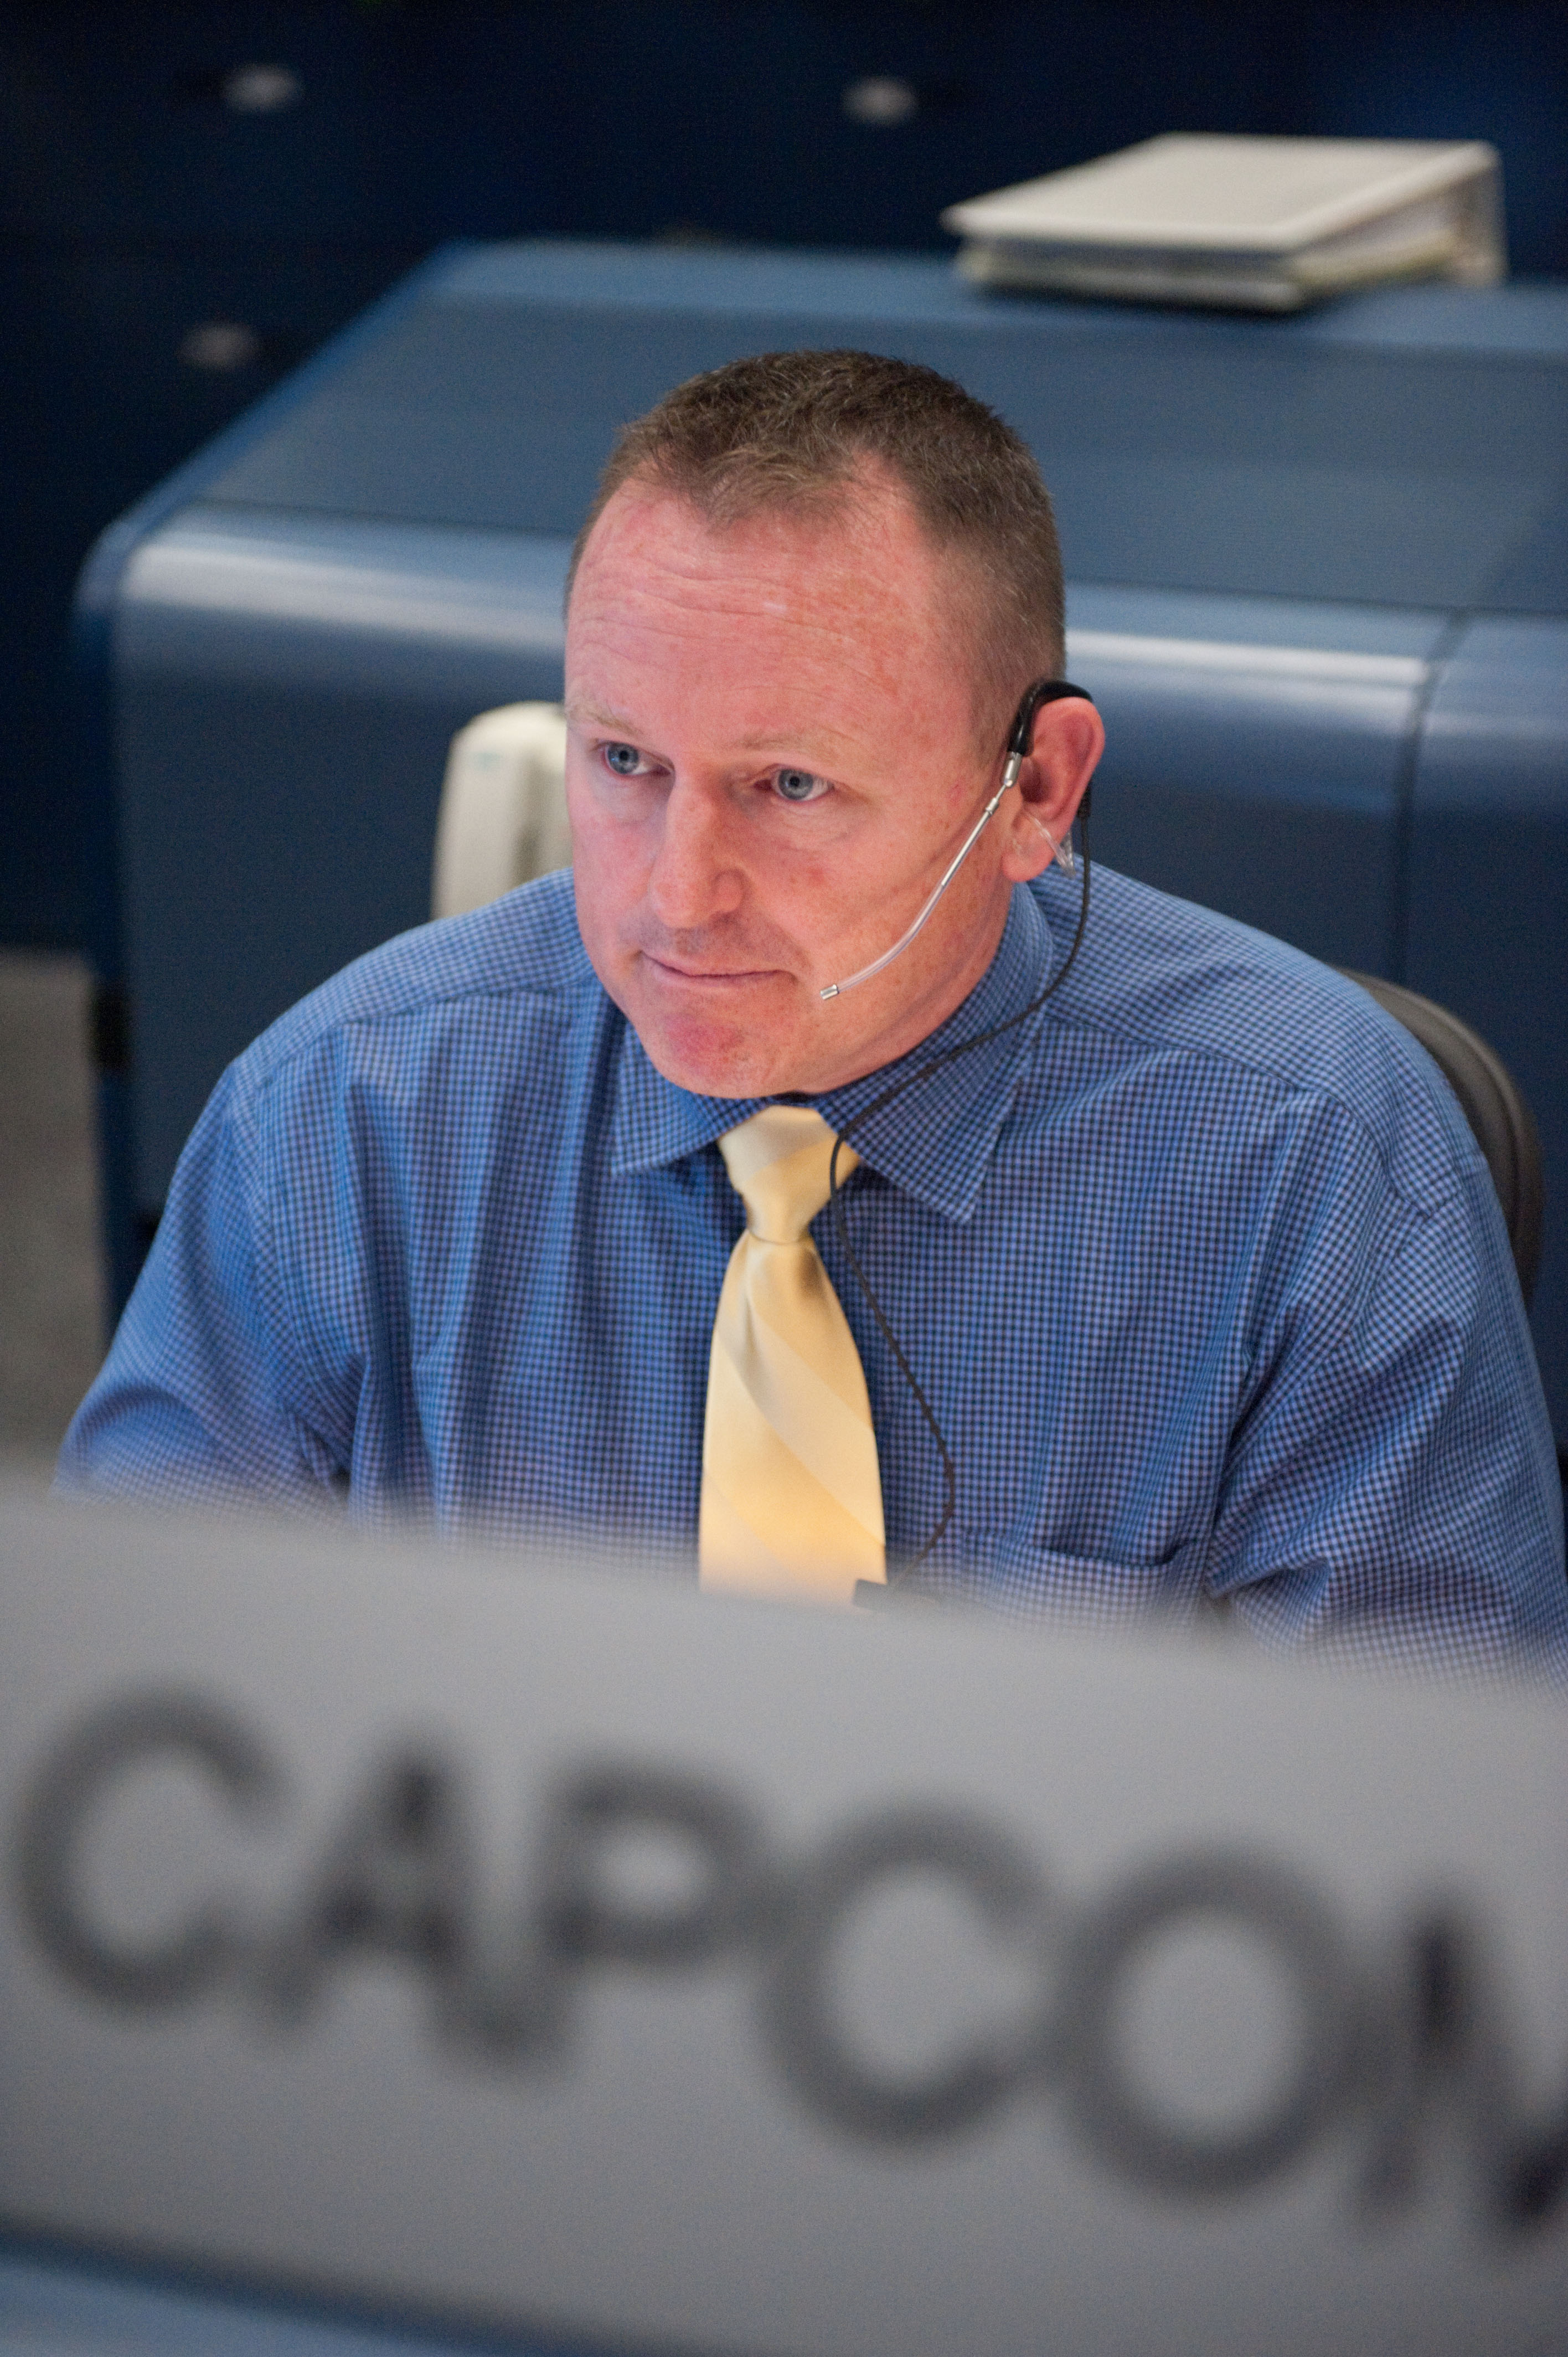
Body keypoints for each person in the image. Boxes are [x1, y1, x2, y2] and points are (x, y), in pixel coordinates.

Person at [60, 351, 1565, 1679]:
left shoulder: (1321, 1167)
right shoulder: (341, 1115)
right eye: (626, 762)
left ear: (1036, 788)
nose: (678, 895)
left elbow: (1423, 1885)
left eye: (790, 786)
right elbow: (130, 1722)